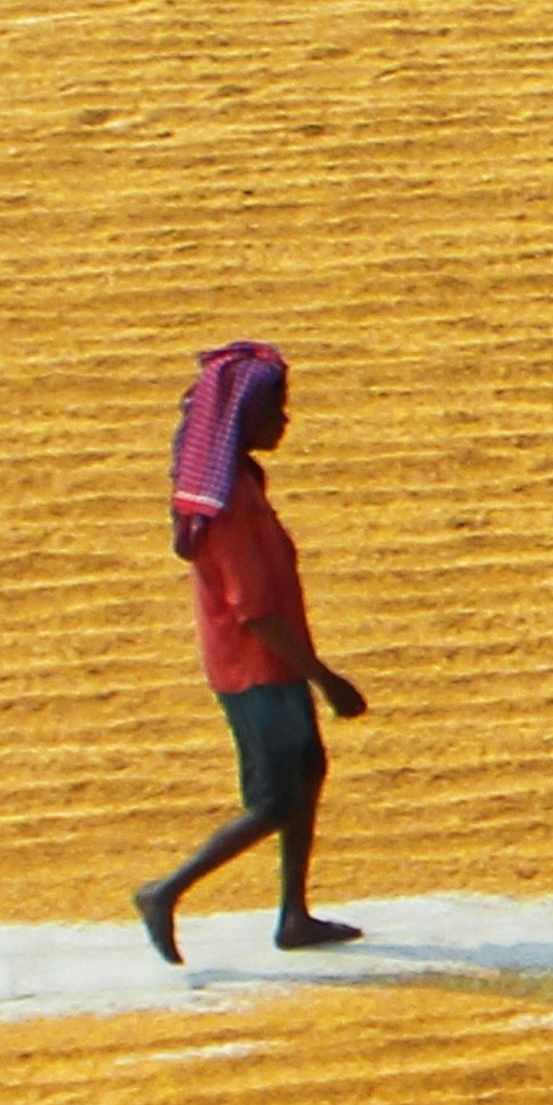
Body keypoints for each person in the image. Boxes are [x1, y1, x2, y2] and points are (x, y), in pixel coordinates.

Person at [137, 339, 370, 962]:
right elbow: (256, 613)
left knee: (307, 772)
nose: (285, 421)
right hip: (257, 669)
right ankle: (164, 891)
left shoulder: (239, 482)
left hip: (273, 661)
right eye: (277, 410)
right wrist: (326, 679)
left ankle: (294, 915)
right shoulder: (232, 506)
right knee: (275, 799)